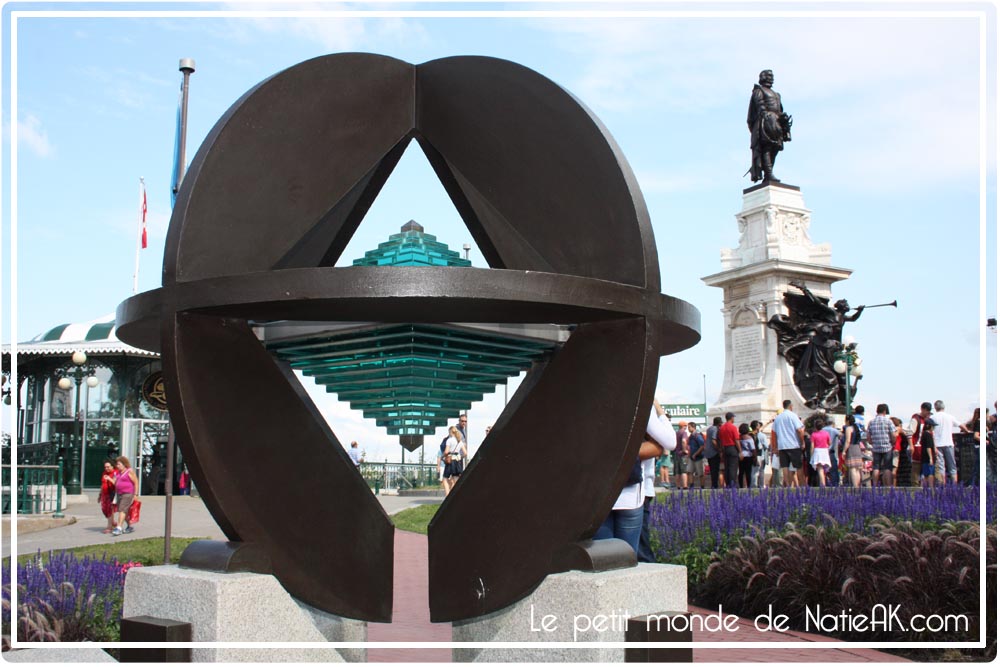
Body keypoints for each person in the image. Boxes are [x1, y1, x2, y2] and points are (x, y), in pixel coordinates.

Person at [598, 400, 675, 556]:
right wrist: (659, 410)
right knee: (630, 557)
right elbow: (669, 442)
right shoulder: (639, 402)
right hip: (630, 492)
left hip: (599, 492)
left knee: (603, 558)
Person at [746, 69, 792, 182]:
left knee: (775, 147)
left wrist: (782, 117)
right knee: (767, 147)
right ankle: (769, 173)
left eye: (772, 76)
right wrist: (765, 115)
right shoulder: (759, 91)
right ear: (763, 77)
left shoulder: (777, 94)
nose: (771, 78)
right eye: (769, 76)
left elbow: (779, 108)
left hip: (776, 122)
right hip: (766, 122)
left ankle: (769, 173)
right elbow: (760, 105)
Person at [932, 400, 968, 485]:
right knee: (952, 465)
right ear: (943, 407)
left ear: (935, 407)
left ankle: (942, 484)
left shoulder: (933, 417)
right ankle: (954, 484)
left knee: (941, 466)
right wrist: (966, 431)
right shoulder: (950, 416)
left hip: (937, 444)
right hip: (948, 443)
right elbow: (960, 425)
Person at [772, 400, 806, 486]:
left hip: (782, 446)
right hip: (793, 444)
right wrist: (802, 442)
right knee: (798, 466)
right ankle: (802, 485)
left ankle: (787, 486)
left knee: (785, 467)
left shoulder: (778, 418)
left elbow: (774, 433)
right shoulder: (793, 416)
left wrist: (775, 447)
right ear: (791, 406)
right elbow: (799, 430)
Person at [866, 404, 897, 487]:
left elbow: (868, 437)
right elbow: (894, 435)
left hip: (876, 447)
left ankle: (875, 485)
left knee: (876, 467)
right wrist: (893, 442)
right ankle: (888, 486)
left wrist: (872, 442)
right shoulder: (888, 421)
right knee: (887, 467)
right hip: (887, 447)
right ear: (884, 411)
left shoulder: (871, 422)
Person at [903, 402, 933, 487]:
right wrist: (911, 445)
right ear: (922, 409)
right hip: (916, 447)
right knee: (916, 468)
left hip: (924, 448)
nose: (927, 413)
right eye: (926, 410)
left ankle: (923, 486)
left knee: (925, 469)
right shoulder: (916, 419)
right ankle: (915, 487)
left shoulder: (927, 419)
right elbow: (909, 433)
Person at [112, 456, 139, 536]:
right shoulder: (118, 473)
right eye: (117, 464)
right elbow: (115, 483)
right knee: (124, 511)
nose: (117, 466)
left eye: (119, 464)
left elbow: (136, 482)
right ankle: (130, 526)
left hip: (127, 493)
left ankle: (119, 527)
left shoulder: (129, 471)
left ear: (124, 464)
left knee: (122, 510)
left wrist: (135, 494)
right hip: (119, 493)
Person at [441, 425, 467, 496]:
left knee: (445, 479)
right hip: (457, 461)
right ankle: (456, 495)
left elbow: (446, 452)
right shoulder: (459, 441)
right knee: (455, 479)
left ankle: (447, 496)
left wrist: (442, 457)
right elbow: (465, 453)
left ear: (450, 432)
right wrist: (459, 457)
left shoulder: (449, 440)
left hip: (450, 461)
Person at [718, 413, 740, 488]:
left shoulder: (722, 428)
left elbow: (720, 440)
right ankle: (733, 484)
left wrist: (721, 450)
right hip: (732, 447)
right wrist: (740, 451)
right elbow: (736, 440)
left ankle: (728, 484)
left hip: (725, 448)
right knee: (733, 467)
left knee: (727, 467)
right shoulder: (733, 427)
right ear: (731, 418)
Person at [843, 414, 865, 488]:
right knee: (857, 469)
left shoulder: (848, 428)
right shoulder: (856, 428)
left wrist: (844, 451)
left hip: (851, 448)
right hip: (857, 448)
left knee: (852, 468)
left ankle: (855, 486)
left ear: (847, 421)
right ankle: (858, 486)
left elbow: (848, 441)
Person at [809, 422, 832, 487]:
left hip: (817, 451)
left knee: (820, 469)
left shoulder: (813, 434)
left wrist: (811, 455)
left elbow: (812, 446)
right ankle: (824, 482)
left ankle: (823, 484)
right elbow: (830, 442)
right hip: (825, 451)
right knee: (825, 468)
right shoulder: (826, 433)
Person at [822, 417, 842, 487]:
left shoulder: (822, 430)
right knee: (833, 469)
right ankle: (835, 485)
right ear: (833, 423)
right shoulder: (834, 430)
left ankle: (825, 484)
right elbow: (841, 435)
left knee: (824, 470)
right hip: (831, 452)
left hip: (823, 452)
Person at [891, 417, 911, 487]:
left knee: (888, 469)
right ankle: (893, 487)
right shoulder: (897, 429)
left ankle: (889, 486)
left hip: (889, 450)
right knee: (894, 470)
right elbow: (907, 434)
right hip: (896, 449)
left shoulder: (889, 430)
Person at [98, 460, 117, 534]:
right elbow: (102, 484)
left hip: (111, 493)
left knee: (109, 510)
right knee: (105, 510)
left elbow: (116, 483)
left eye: (108, 467)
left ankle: (109, 527)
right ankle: (113, 522)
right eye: (105, 467)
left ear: (112, 466)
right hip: (105, 494)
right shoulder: (104, 473)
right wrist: (100, 495)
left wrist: (109, 479)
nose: (106, 468)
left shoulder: (115, 473)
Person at [704, 416, 723, 490]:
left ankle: (713, 484)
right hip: (714, 452)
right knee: (715, 469)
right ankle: (715, 485)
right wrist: (719, 449)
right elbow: (713, 440)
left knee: (712, 469)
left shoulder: (709, 429)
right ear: (719, 423)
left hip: (708, 451)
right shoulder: (715, 429)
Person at [687, 422, 707, 489]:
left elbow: (702, 446)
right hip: (691, 457)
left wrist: (695, 454)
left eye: (689, 427)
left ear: (693, 427)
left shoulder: (697, 436)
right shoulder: (691, 436)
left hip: (699, 457)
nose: (688, 429)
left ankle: (702, 486)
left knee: (700, 473)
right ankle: (691, 486)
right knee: (690, 471)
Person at [672, 420, 689, 490]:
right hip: (682, 454)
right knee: (684, 470)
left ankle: (678, 486)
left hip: (676, 453)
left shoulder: (676, 433)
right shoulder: (684, 433)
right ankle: (685, 485)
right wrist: (684, 450)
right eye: (686, 426)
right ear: (684, 426)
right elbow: (683, 441)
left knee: (677, 471)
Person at [921, 418, 937, 488]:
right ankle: (930, 487)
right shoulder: (928, 435)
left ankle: (925, 487)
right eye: (932, 426)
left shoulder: (924, 434)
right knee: (930, 473)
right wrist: (931, 458)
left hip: (924, 457)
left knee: (925, 474)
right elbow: (928, 447)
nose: (933, 428)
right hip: (928, 458)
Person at [738, 423, 755, 488]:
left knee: (741, 472)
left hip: (741, 456)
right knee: (748, 472)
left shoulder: (739, 437)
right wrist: (755, 457)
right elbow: (753, 448)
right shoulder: (749, 438)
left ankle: (741, 486)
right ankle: (748, 485)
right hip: (748, 456)